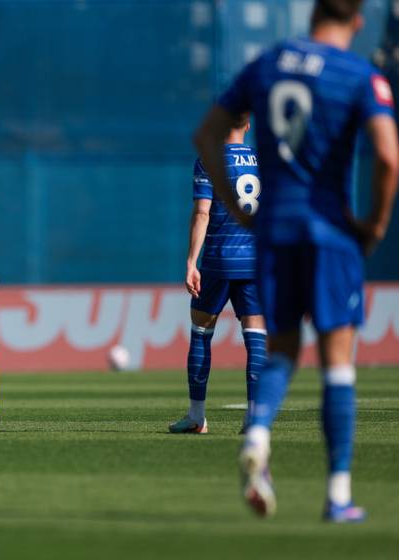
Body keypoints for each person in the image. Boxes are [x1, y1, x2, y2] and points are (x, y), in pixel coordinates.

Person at [194, 0, 399, 522]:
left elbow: (207, 135)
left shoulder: (267, 65)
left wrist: (238, 205)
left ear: (312, 15)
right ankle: (337, 496)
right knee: (337, 365)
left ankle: (258, 435)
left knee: (283, 350)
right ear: (355, 20)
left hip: (274, 232)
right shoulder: (359, 73)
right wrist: (374, 225)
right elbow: (388, 156)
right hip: (330, 233)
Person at [170, 115, 267, 435]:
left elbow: (202, 212)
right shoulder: (262, 160)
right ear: (248, 125)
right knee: (256, 340)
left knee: (200, 333)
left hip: (217, 260)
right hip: (255, 260)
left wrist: (190, 262)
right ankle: (255, 418)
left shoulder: (209, 160)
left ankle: (197, 416)